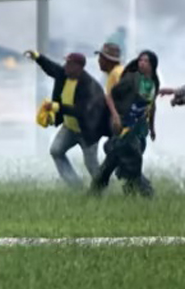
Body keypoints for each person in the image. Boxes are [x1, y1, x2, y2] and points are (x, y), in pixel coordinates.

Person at [24, 51, 104, 187]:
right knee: (56, 150)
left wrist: (56, 107)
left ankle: (103, 188)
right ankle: (75, 185)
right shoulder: (64, 74)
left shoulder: (88, 85)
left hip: (88, 130)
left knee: (91, 164)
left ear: (79, 67)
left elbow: (81, 111)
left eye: (69, 63)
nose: (65, 66)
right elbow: (51, 68)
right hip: (69, 127)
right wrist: (38, 57)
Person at [92, 51, 160, 196]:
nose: (141, 63)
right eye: (140, 60)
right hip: (125, 126)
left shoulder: (154, 82)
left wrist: (152, 127)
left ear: (152, 64)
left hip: (140, 128)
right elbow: (109, 96)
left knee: (115, 162)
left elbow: (152, 105)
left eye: (145, 61)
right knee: (132, 160)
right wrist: (115, 116)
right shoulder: (131, 79)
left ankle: (99, 191)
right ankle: (147, 193)